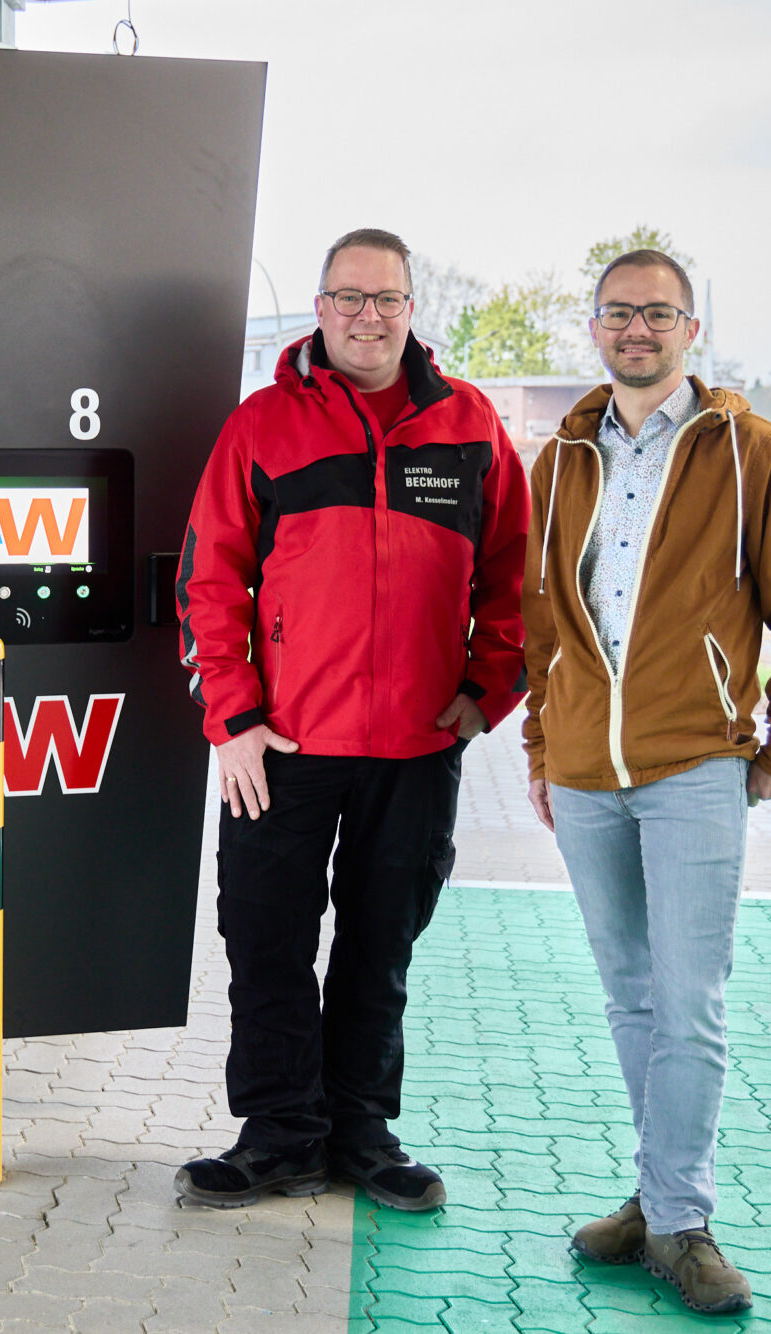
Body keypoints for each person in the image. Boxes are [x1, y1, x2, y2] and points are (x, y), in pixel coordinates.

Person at [172, 228, 529, 1210]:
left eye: (385, 298)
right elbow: (208, 579)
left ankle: (363, 1133)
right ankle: (280, 1134)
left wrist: (485, 693)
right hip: (280, 746)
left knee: (381, 945)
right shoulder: (262, 425)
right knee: (266, 941)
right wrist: (233, 718)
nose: (366, 316)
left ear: (411, 308)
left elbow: (516, 574)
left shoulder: (470, 425)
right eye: (348, 297)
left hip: (416, 745)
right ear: (320, 307)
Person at [521, 249, 771, 1313]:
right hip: (584, 773)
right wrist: (542, 749)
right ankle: (655, 1203)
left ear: (690, 329)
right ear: (595, 327)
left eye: (657, 314)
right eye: (618, 313)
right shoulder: (564, 457)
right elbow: (538, 622)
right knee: (630, 996)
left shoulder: (751, 451)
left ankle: (681, 1220)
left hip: (695, 762)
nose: (637, 330)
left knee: (689, 1002)